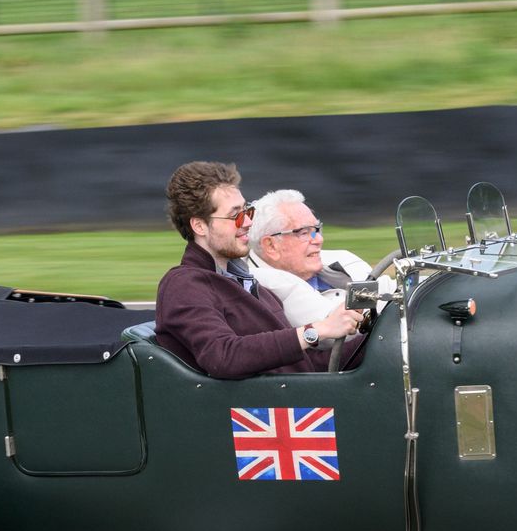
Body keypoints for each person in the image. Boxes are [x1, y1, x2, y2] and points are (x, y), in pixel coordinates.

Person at [153, 162, 362, 379]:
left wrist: (379, 336)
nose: (247, 222)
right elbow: (223, 356)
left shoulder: (246, 281)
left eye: (247, 210)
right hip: (256, 408)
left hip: (299, 398)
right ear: (199, 226)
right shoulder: (185, 284)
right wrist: (317, 330)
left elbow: (306, 366)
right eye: (236, 215)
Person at [246, 188, 374, 328]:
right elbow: (342, 332)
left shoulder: (340, 258)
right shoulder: (264, 289)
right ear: (271, 246)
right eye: (304, 232)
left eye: (316, 229)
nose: (319, 239)